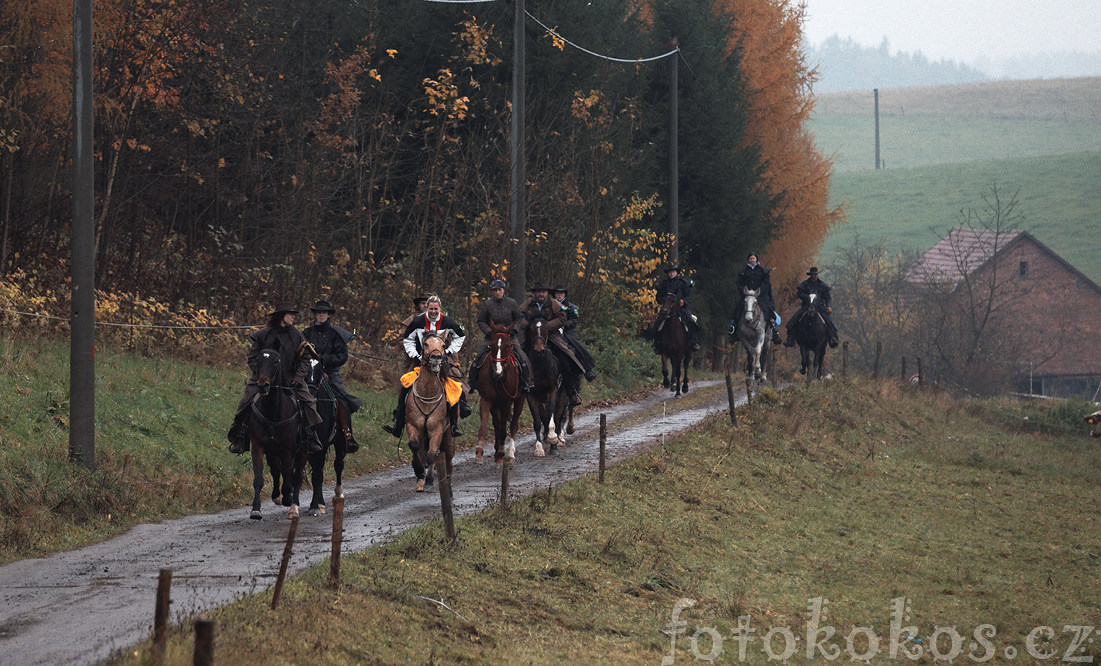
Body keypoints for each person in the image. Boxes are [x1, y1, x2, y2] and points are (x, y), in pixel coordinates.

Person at [226, 303, 324, 455]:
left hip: (291, 378)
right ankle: (240, 437)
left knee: (309, 401)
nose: (293, 317)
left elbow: (305, 360)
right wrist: (261, 374)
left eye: (293, 314)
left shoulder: (297, 335)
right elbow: (252, 357)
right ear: (281, 316)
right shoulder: (263, 334)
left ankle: (311, 436)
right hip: (263, 377)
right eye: (290, 314)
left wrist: (298, 377)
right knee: (245, 401)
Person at [384, 295, 470, 439]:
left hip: (441, 361)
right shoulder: (417, 321)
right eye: (431, 309)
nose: (433, 312)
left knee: (454, 383)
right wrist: (414, 355)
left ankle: (455, 424)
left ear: (440, 308)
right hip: (421, 361)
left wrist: (447, 352)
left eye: (436, 309)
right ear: (427, 308)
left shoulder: (448, 321)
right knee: (405, 384)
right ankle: (397, 424)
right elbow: (407, 339)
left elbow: (460, 336)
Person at [302, 300, 363, 453]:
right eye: (318, 312)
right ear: (315, 314)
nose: (321, 314)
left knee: (342, 399)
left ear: (328, 315)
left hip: (330, 373)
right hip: (308, 373)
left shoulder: (336, 334)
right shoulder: (306, 333)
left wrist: (324, 359)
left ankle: (347, 434)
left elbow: (342, 356)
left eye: (324, 312)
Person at [520, 281, 590, 407]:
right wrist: (529, 326)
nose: (541, 294)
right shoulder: (528, 303)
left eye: (543, 291)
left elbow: (562, 318)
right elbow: (518, 315)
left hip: (551, 336)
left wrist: (547, 326)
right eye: (538, 292)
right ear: (535, 293)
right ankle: (520, 388)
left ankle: (572, 390)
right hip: (533, 336)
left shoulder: (553, 303)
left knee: (566, 356)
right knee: (519, 356)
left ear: (547, 292)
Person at [468, 278, 533, 393]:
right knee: (478, 358)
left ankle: (525, 383)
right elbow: (481, 321)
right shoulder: (487, 304)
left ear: (504, 290)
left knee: (521, 358)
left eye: (500, 290)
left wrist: (514, 330)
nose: (497, 292)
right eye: (495, 290)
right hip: (492, 338)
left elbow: (518, 318)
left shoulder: (512, 303)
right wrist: (488, 332)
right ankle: (472, 383)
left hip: (510, 338)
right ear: (492, 292)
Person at [784, 266, 840, 348]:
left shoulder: (822, 285)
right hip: (806, 307)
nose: (815, 276)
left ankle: (833, 338)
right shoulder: (804, 284)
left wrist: (828, 306)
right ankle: (790, 338)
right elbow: (799, 294)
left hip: (819, 308)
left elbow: (827, 297)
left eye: (816, 274)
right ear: (810, 275)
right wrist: (807, 297)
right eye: (813, 274)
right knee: (795, 319)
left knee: (828, 321)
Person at [734, 252, 782, 345]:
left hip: (761, 297)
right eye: (750, 258)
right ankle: (734, 329)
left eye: (753, 258)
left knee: (769, 311)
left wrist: (759, 291)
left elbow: (766, 283)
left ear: (757, 259)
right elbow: (739, 283)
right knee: (738, 310)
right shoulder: (743, 272)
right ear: (748, 260)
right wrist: (744, 291)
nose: (752, 260)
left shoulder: (763, 271)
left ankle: (774, 331)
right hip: (747, 296)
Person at [552, 285, 597, 381]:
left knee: (578, 346)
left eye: (561, 293)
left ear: (564, 295)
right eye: (558, 293)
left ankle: (586, 369)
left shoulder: (572, 307)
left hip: (567, 331)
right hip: (552, 330)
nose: (559, 295)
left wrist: (563, 325)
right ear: (554, 294)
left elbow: (574, 320)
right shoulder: (550, 306)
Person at [654, 264, 701, 352]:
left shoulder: (683, 283)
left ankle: (694, 342)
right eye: (669, 272)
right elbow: (658, 297)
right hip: (667, 309)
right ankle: (657, 344)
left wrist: (683, 301)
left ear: (676, 272)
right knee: (657, 323)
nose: (671, 274)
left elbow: (689, 295)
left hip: (681, 309)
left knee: (691, 322)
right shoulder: (663, 284)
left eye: (673, 272)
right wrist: (664, 301)